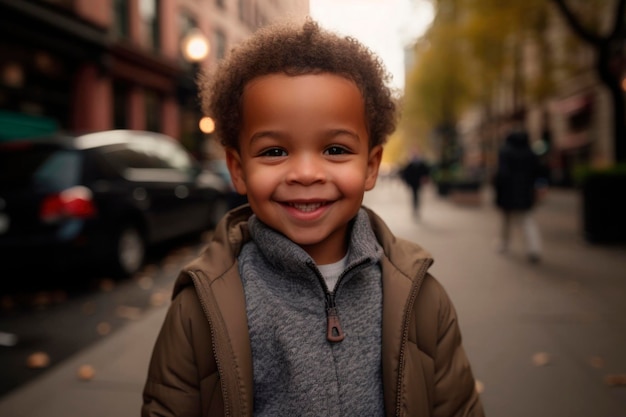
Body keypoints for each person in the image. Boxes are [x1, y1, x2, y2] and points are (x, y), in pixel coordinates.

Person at [142, 17, 484, 417]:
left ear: (372, 166)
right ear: (237, 169)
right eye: (274, 151)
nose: (306, 173)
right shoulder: (200, 309)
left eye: (335, 150)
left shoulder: (422, 299)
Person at [493, 115, 545, 264]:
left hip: (507, 192)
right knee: (527, 220)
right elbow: (539, 172)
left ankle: (504, 244)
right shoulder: (530, 152)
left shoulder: (505, 151)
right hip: (525, 192)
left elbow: (501, 174)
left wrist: (497, 191)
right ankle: (534, 249)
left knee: (506, 220)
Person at [399, 149, 430, 217]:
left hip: (418, 183)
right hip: (413, 183)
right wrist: (407, 182)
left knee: (417, 196)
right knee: (414, 196)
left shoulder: (421, 164)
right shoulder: (410, 165)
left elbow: (426, 173)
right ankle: (415, 208)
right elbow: (405, 174)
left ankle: (416, 208)